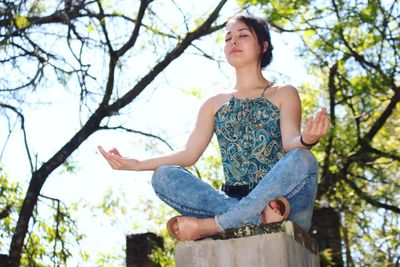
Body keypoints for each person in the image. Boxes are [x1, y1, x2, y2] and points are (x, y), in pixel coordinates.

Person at [98, 15, 330, 241]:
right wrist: (137, 164)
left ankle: (214, 225)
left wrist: (307, 139)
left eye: (243, 35)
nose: (233, 42)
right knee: (163, 175)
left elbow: (292, 144)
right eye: (228, 38)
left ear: (264, 45)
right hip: (233, 200)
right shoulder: (213, 103)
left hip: (282, 201)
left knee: (303, 158)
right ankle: (254, 218)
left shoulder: (283, 92)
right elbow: (189, 154)